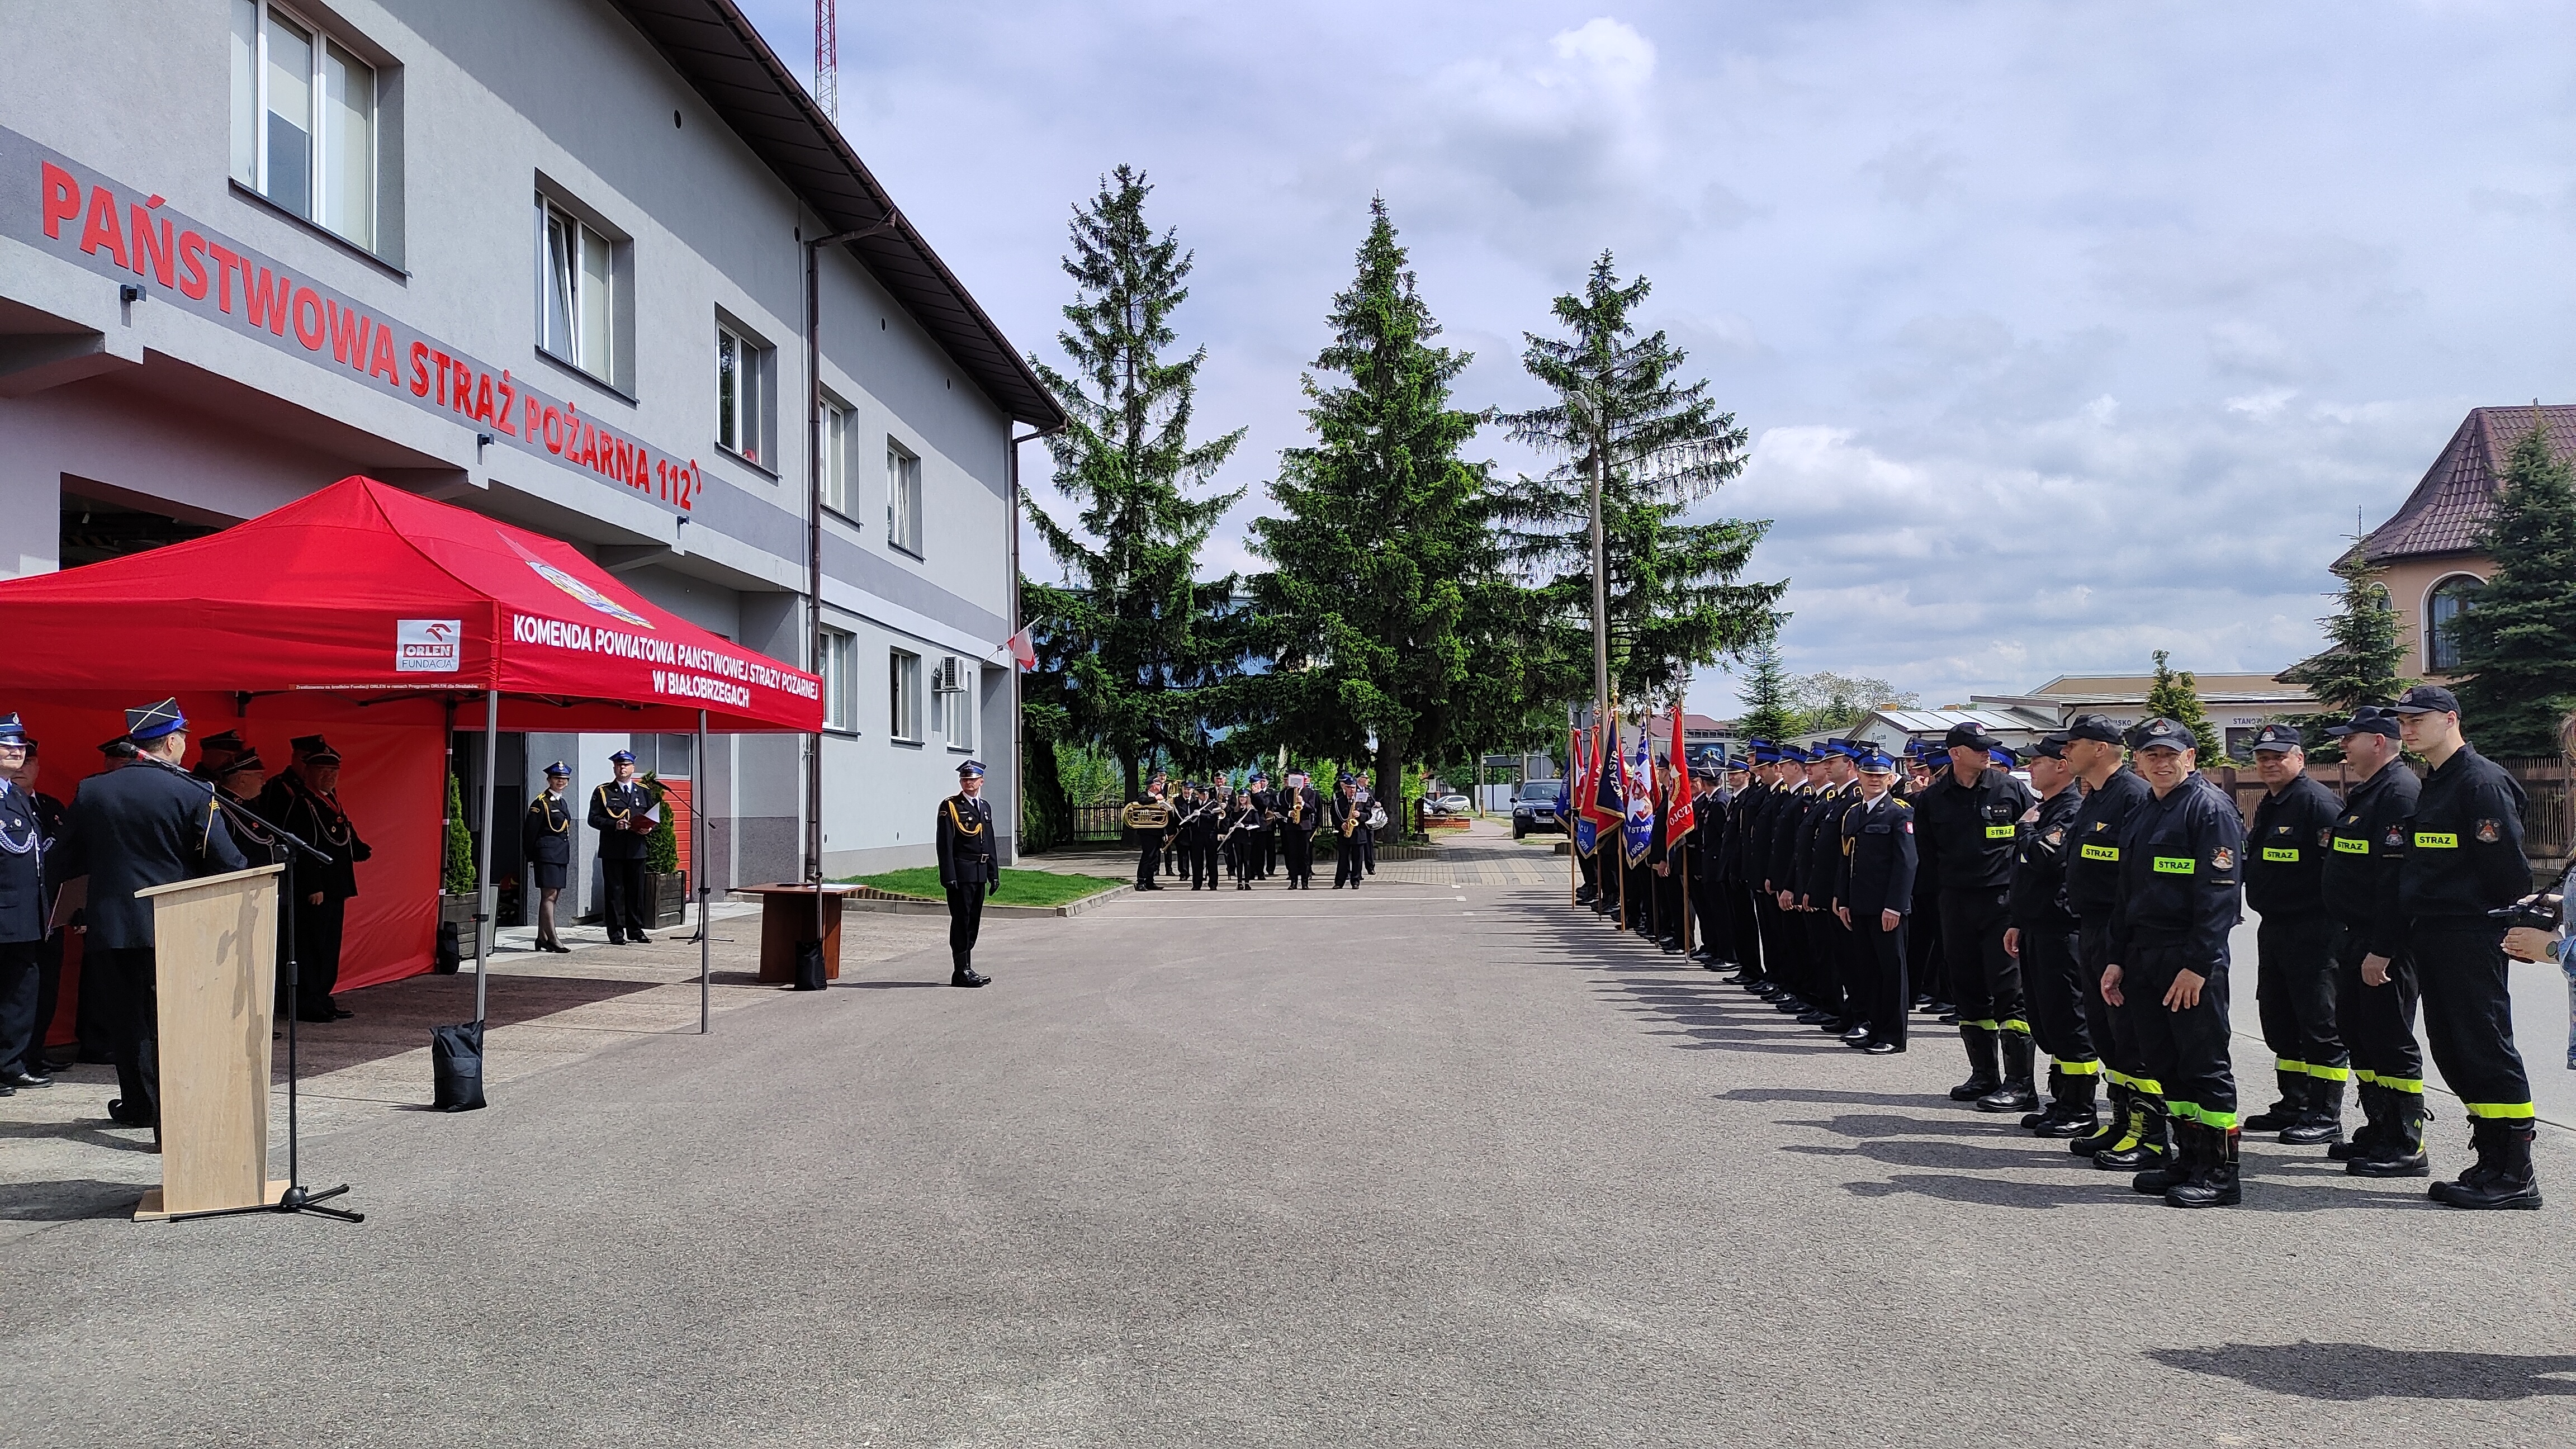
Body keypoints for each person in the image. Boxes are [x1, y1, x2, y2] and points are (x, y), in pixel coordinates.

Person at [50, 699, 249, 1136]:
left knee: (128, 1022)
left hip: (114, 924)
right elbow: (227, 862)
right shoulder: (195, 791)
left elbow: (63, 861)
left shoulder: (92, 790)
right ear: (173, 742)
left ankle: (141, 1106)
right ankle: (176, 1111)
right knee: (173, 1020)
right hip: (177, 923)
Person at [2389, 685, 2541, 1209]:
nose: (2407, 728)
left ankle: (2516, 1172)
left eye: (2418, 719)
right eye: (2403, 720)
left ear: (2450, 719)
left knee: (2485, 1045)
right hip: (2433, 930)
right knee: (2454, 1049)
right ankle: (2491, 1159)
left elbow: (2507, 870)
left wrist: (2502, 926)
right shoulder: (2438, 782)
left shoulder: (2480, 782)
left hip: (2471, 931)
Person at [2102, 716, 2246, 1209]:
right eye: (2151, 755)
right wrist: (2117, 958)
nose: (2161, 763)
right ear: (2138, 762)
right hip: (2144, 954)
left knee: (2204, 1064)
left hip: (2188, 958)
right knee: (2167, 1062)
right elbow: (2126, 892)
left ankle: (2221, 1172)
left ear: (2191, 758)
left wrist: (2199, 965)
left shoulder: (2209, 810)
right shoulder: (2144, 809)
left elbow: (2219, 896)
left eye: (2170, 755)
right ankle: (2189, 1158)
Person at [2317, 705, 2428, 1176]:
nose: (2343, 746)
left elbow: (2396, 881)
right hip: (2354, 937)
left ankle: (2406, 1141)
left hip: (2384, 944)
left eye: (2351, 738)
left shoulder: (2400, 793)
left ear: (2379, 742)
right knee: (2358, 1033)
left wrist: (2383, 947)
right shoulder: (2370, 792)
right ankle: (2380, 1126)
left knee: (2389, 1038)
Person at [1914, 722, 2037, 1104]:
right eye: (1978, 748)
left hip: (2002, 903)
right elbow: (1927, 855)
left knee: (2009, 992)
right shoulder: (1933, 799)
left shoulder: (2010, 790)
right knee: (1968, 990)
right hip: (1956, 903)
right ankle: (1983, 1074)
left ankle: (2020, 1083)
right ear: (1955, 754)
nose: (1987, 754)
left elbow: (2033, 843)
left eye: (1988, 748)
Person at [2239, 723, 2348, 1145]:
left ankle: (2325, 1112)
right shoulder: (2273, 802)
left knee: (2318, 1021)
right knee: (2280, 1018)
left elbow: (2334, 870)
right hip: (2277, 927)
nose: (2269, 764)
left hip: (2315, 929)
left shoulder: (2316, 804)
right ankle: (2294, 1101)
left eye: (2278, 756)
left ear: (2299, 759)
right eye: (2263, 757)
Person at [2059, 713, 2160, 1167]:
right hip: (2092, 926)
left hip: (2121, 929)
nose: (2065, 752)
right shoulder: (2095, 796)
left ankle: (2149, 1131)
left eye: (2073, 743)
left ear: (2100, 748)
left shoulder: (2132, 796)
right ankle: (2121, 1122)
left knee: (2132, 1034)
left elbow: (2135, 876)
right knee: (2106, 1032)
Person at [2001, 732, 2095, 1129]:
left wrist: (2024, 832)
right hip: (2037, 925)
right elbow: (2026, 874)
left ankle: (2080, 1107)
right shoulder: (2046, 809)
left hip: (2062, 929)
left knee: (2068, 1017)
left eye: (2036, 762)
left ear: (2061, 765)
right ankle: (2061, 1099)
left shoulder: (2070, 810)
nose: (2029, 769)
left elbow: (2044, 859)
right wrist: (2018, 921)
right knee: (2046, 1017)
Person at [258, 735, 373, 1020]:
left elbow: (340, 828)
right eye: (323, 772)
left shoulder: (328, 798)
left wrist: (358, 848)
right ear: (307, 770)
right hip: (316, 887)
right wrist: (313, 885)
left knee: (329, 945)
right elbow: (304, 847)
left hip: (336, 884)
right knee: (311, 946)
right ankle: (307, 1000)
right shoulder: (300, 802)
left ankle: (322, 995)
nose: (330, 777)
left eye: (334, 772)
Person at [1834, 748, 1916, 1054]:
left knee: (1891, 972)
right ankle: (1873, 1027)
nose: (1874, 780)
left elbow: (1907, 863)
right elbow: (1846, 859)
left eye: (1881, 776)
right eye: (1869, 774)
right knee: (1867, 971)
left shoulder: (1900, 812)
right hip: (1859, 905)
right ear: (1859, 775)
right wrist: (1843, 899)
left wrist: (1894, 906)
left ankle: (1893, 1035)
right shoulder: (1854, 812)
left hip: (1887, 908)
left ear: (1891, 778)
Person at [6, 738, 72, 1076]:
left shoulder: (50, 807)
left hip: (50, 912)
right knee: (16, 988)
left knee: (43, 987)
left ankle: (33, 1052)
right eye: (16, 755)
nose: (22, 764)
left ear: (37, 767)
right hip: (14, 913)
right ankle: (11, 1060)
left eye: (29, 760)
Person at [0, 713, 51, 1094]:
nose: (16, 751)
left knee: (21, 989)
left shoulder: (16, 795)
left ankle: (9, 1063)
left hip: (24, 914)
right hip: (5, 910)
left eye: (20, 746)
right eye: (7, 745)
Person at [935, 760, 997, 987]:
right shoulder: (950, 806)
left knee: (973, 922)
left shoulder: (985, 807)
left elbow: (988, 841)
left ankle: (967, 967)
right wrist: (948, 875)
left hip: (979, 873)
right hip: (961, 874)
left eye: (972, 779)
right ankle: (960, 971)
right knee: (961, 921)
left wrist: (994, 873)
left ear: (981, 781)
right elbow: (945, 844)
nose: (968, 783)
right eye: (965, 779)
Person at [586, 749, 656, 945]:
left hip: (636, 848)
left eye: (626, 765)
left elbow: (653, 817)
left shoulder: (643, 792)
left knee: (636, 892)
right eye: (618, 765)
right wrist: (613, 825)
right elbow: (593, 819)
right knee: (614, 892)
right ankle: (616, 933)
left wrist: (648, 830)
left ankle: (636, 930)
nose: (622, 768)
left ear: (633, 768)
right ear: (614, 768)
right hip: (613, 849)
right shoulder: (604, 792)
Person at [522, 763, 575, 953]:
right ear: (549, 780)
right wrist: (531, 857)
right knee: (549, 896)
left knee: (553, 896)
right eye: (556, 778)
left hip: (560, 854)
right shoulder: (540, 803)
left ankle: (541, 937)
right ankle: (553, 939)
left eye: (564, 779)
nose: (560, 781)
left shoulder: (561, 802)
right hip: (546, 855)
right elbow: (530, 833)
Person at [1279, 769, 1323, 889]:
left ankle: (1305, 881)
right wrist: (1289, 813)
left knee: (1304, 855)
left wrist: (1302, 803)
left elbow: (1312, 809)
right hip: (1291, 827)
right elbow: (1281, 809)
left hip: (1304, 827)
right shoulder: (1286, 793)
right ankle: (1293, 881)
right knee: (1292, 855)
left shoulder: (1310, 793)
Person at [1330, 774, 1371, 889]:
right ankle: (1339, 882)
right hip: (1344, 833)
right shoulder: (1339, 801)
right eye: (1349, 788)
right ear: (1345, 788)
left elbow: (1369, 814)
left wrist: (1360, 815)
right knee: (1343, 859)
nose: (1352, 790)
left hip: (1359, 834)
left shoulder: (1362, 799)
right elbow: (1334, 816)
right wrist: (1340, 825)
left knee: (1357, 859)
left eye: (1354, 788)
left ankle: (1356, 881)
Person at [1131, 772, 1170, 891]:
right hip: (1147, 833)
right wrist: (1155, 799)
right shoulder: (1144, 795)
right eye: (1158, 783)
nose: (1161, 785)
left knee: (1155, 858)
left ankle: (1150, 881)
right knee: (1147, 856)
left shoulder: (1161, 797)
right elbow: (1142, 801)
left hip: (1158, 832)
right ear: (1153, 785)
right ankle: (1141, 881)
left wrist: (1165, 832)